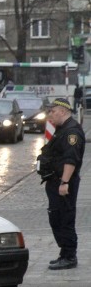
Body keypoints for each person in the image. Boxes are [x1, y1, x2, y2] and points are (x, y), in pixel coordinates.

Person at [40, 97, 86, 270]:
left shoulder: (71, 132)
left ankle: (69, 256)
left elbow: (70, 160)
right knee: (56, 217)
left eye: (53, 111)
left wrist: (64, 182)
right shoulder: (62, 129)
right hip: (55, 181)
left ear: (63, 111)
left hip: (64, 183)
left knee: (64, 218)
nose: (50, 114)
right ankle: (64, 253)